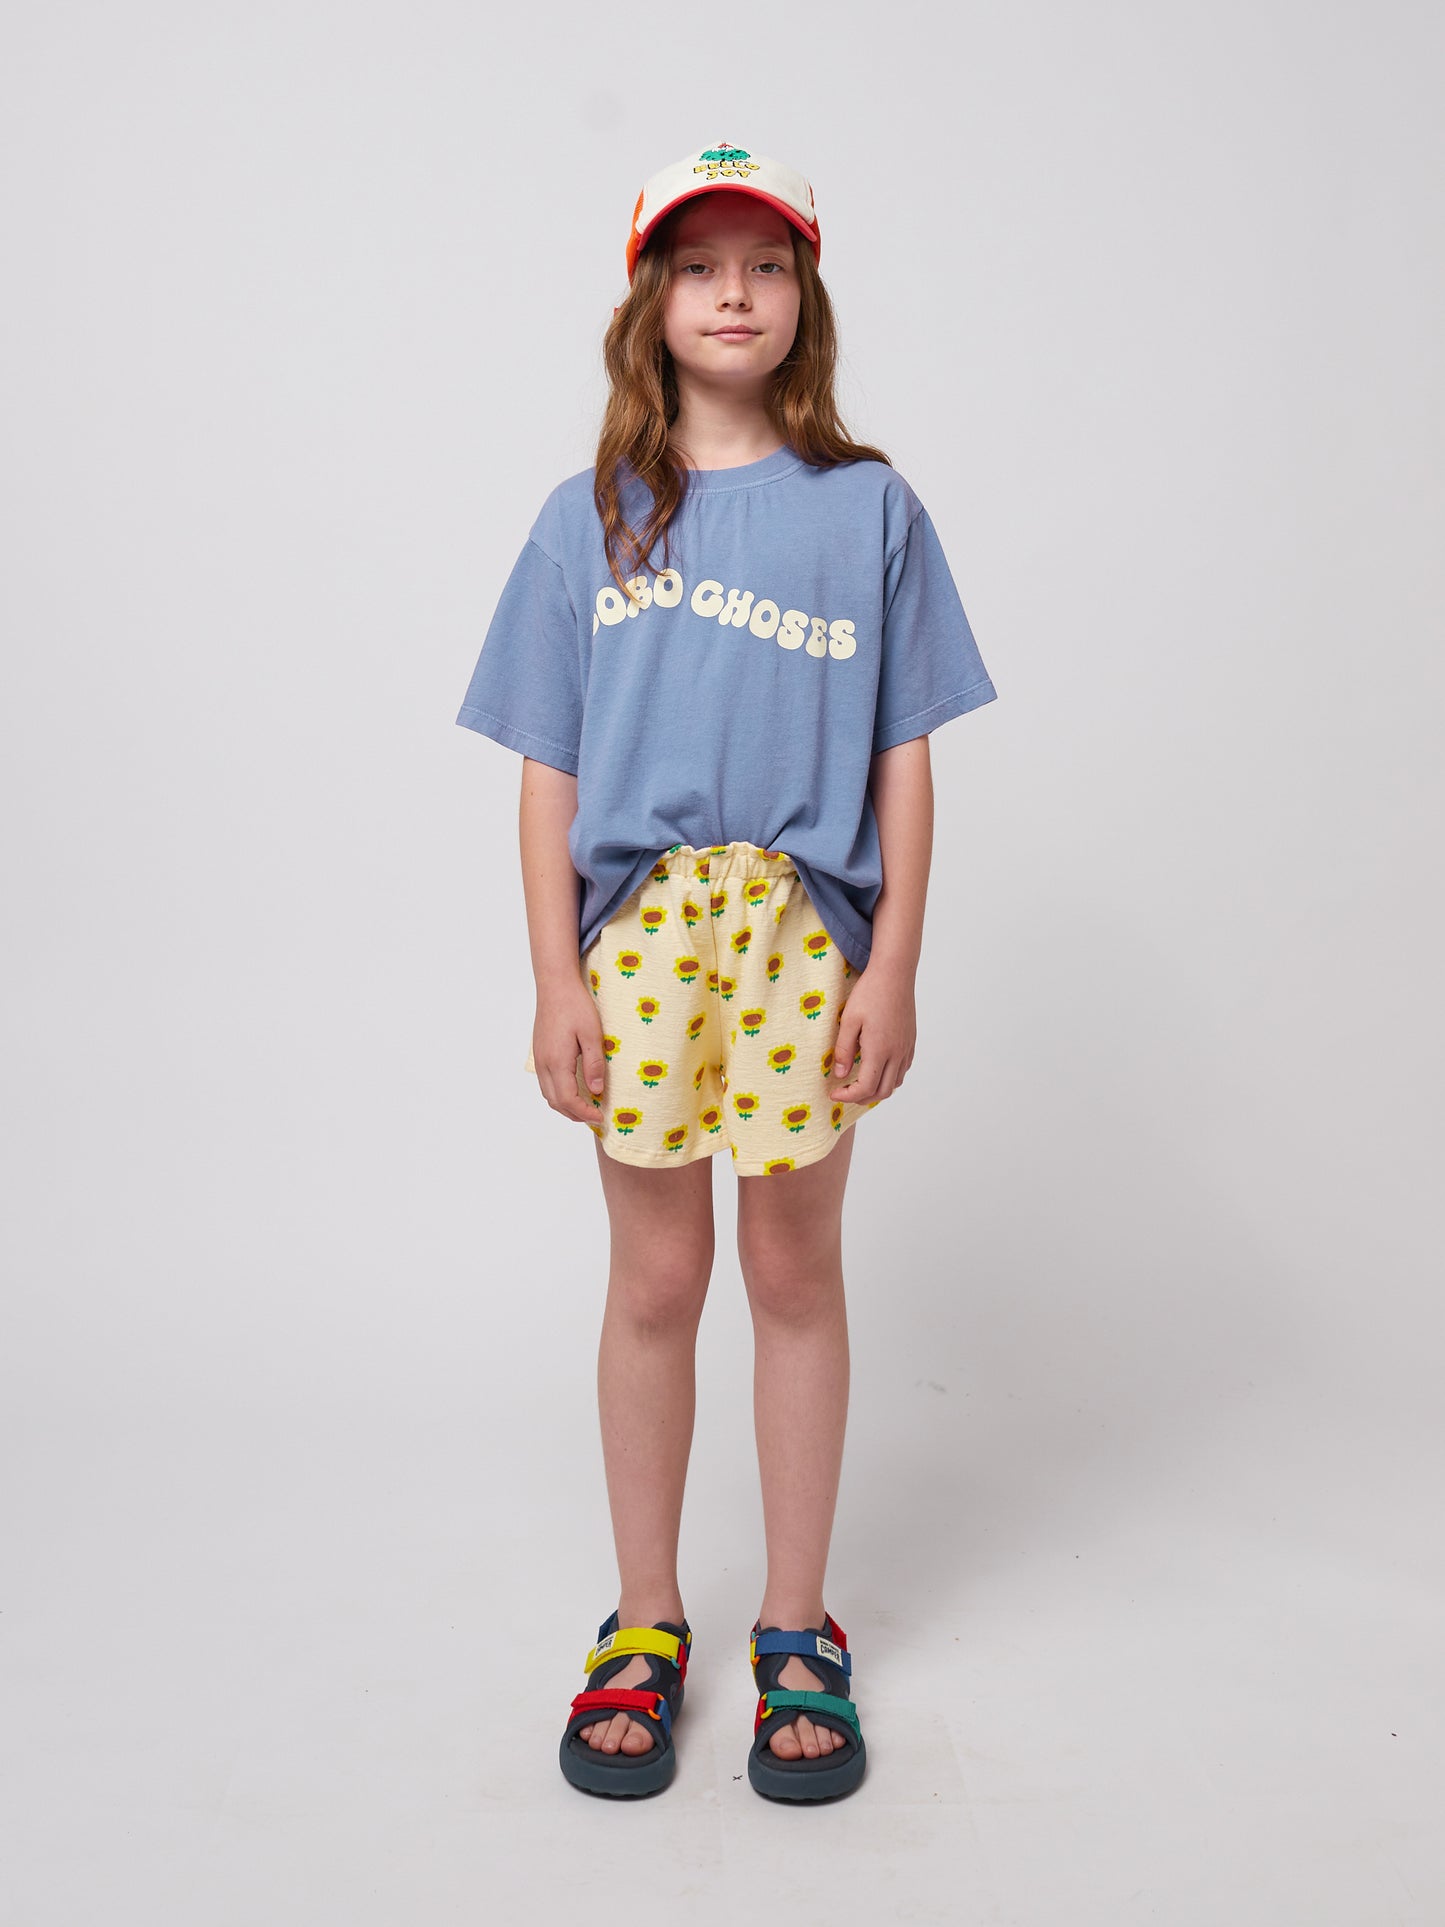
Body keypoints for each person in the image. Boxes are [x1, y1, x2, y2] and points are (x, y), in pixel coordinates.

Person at [454, 141, 998, 1801]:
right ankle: (641, 1622)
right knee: (652, 1283)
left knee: (792, 1275)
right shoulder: (588, 517)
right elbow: (546, 769)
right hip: (640, 941)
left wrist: (890, 960)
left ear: (803, 298)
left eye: (765, 263)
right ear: (652, 301)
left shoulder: (868, 508)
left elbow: (906, 751)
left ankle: (795, 1630)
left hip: (799, 934)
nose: (735, 291)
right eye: (701, 265)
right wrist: (556, 977)